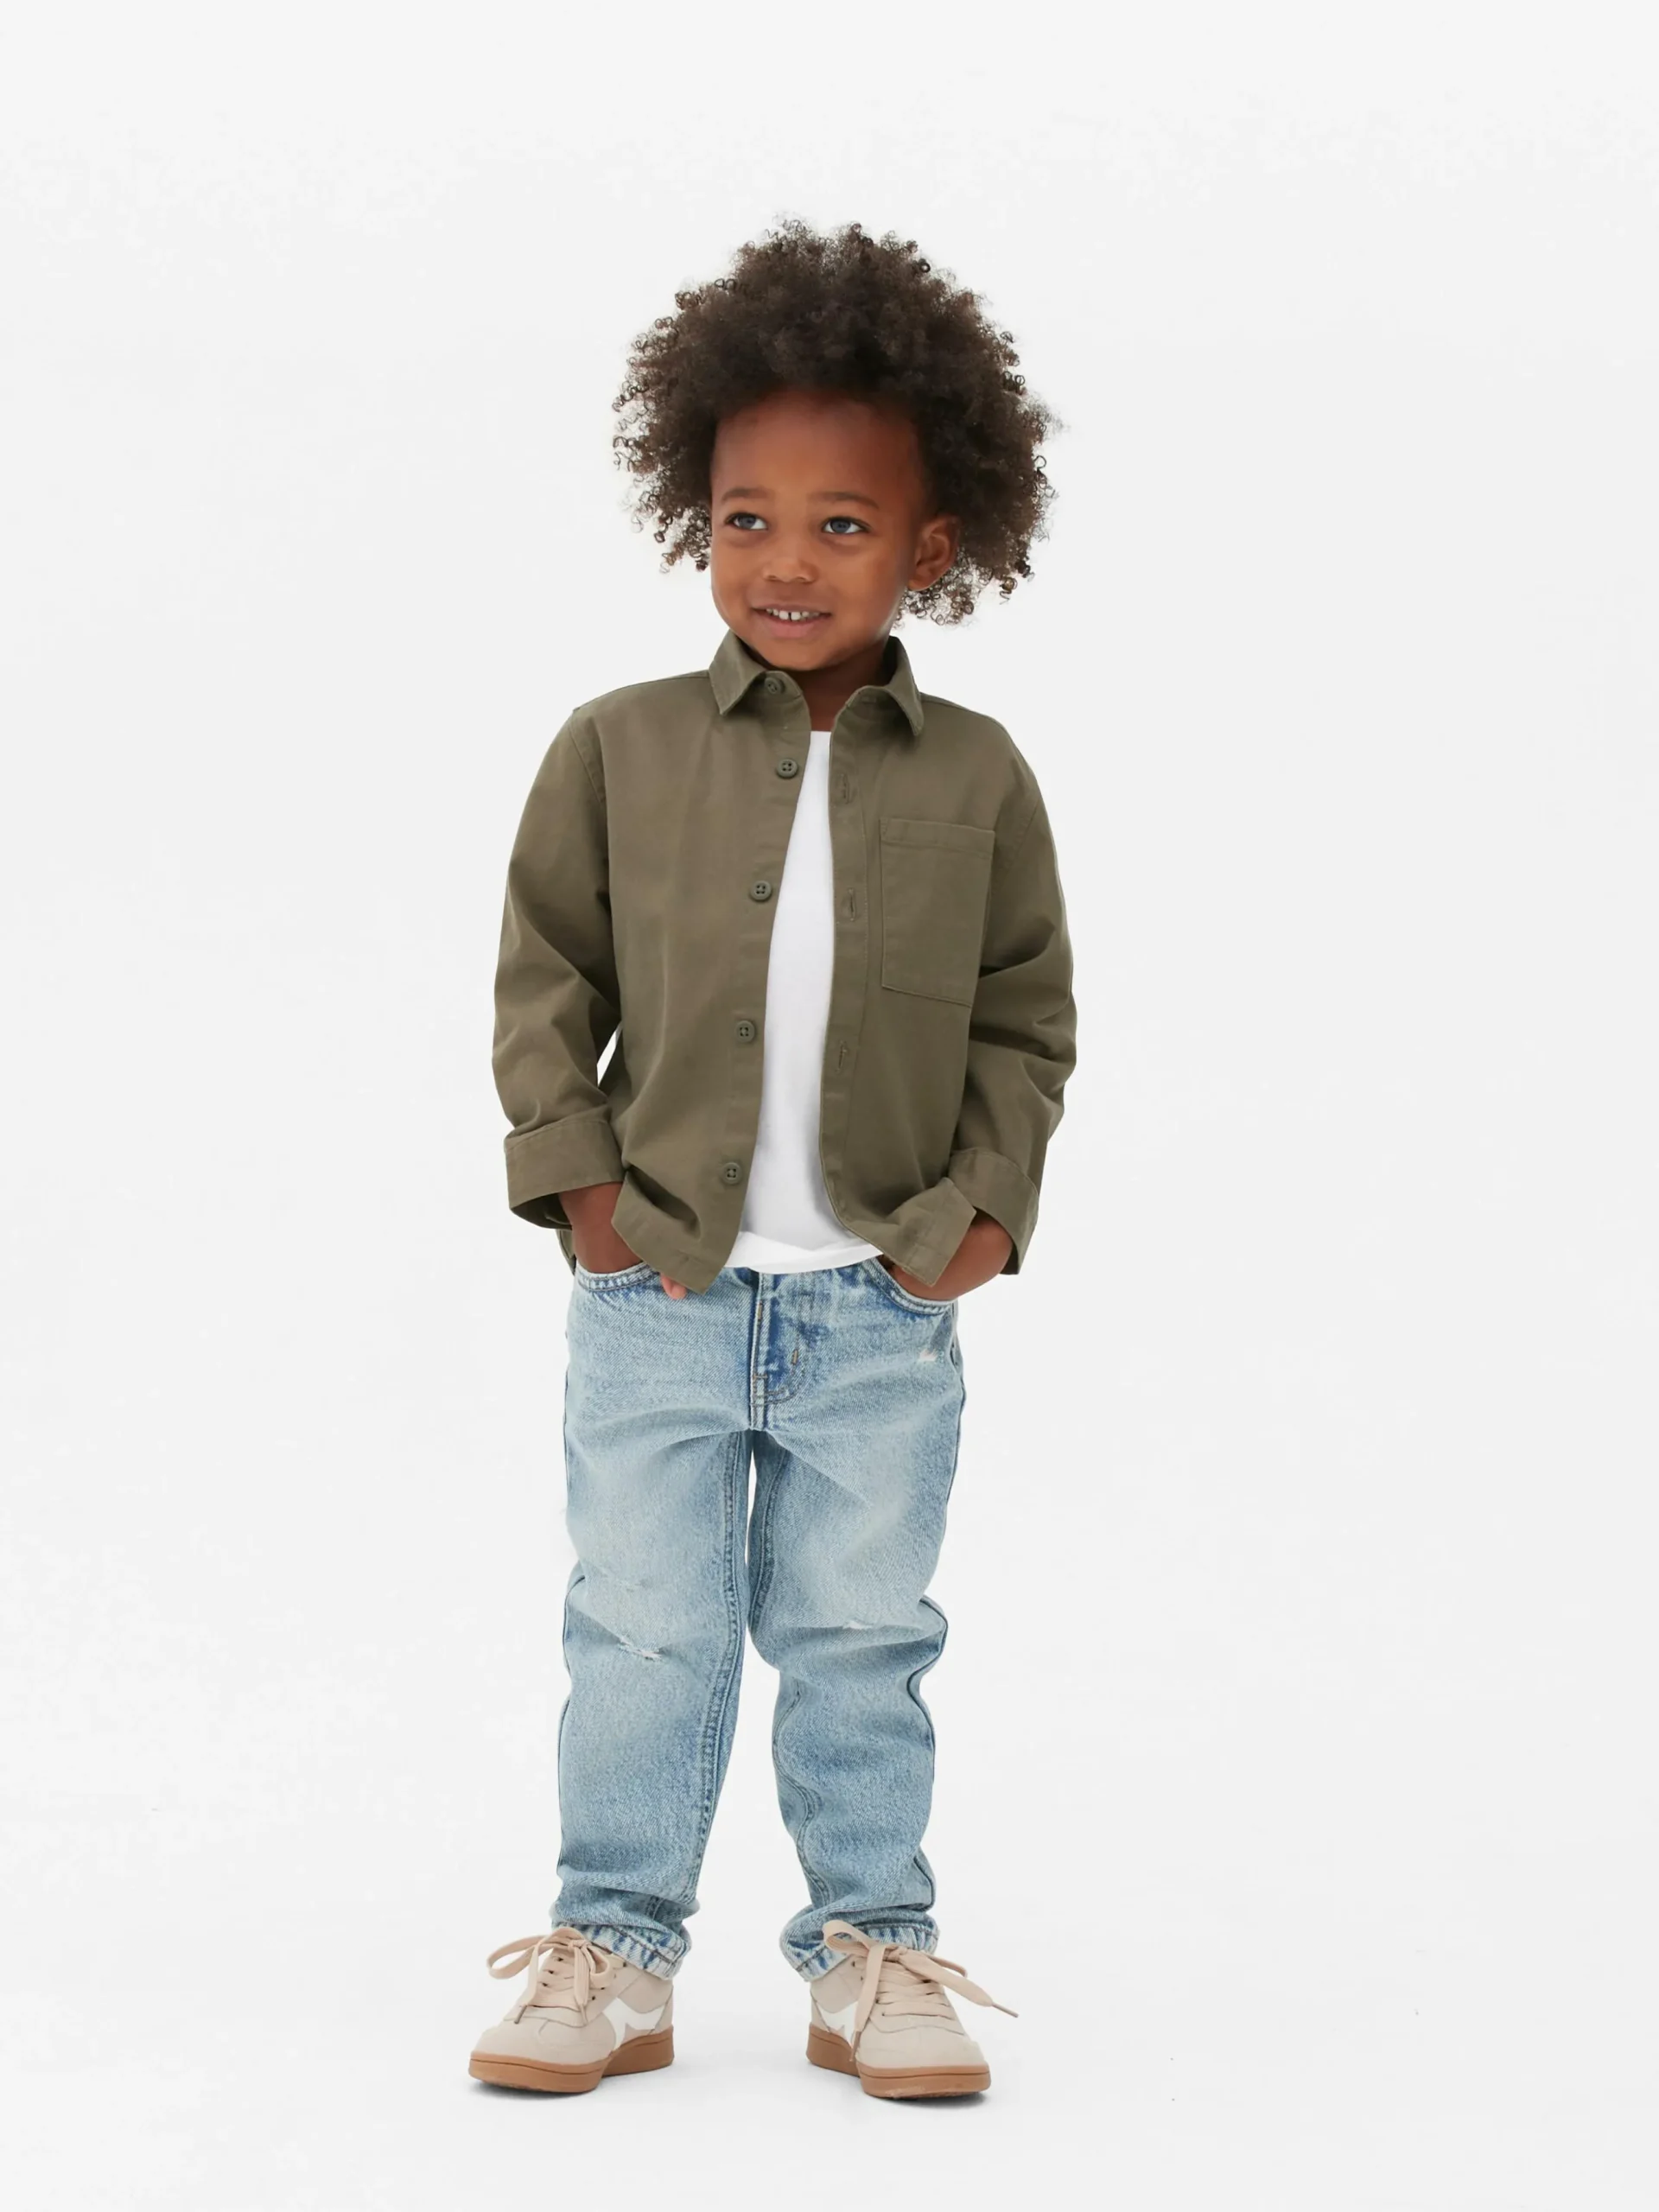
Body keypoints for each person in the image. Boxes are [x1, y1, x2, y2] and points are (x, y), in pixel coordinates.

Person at [470, 217, 1077, 2101]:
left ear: (932, 548)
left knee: (862, 1634)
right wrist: (583, 1191)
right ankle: (612, 1950)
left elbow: (1026, 1013)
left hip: (881, 1307)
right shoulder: (618, 746)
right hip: (657, 1289)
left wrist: (982, 1212)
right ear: (696, 519)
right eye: (747, 518)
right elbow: (544, 974)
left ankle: (873, 1951)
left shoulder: (979, 774)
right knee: (641, 1630)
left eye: (840, 523)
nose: (786, 561)